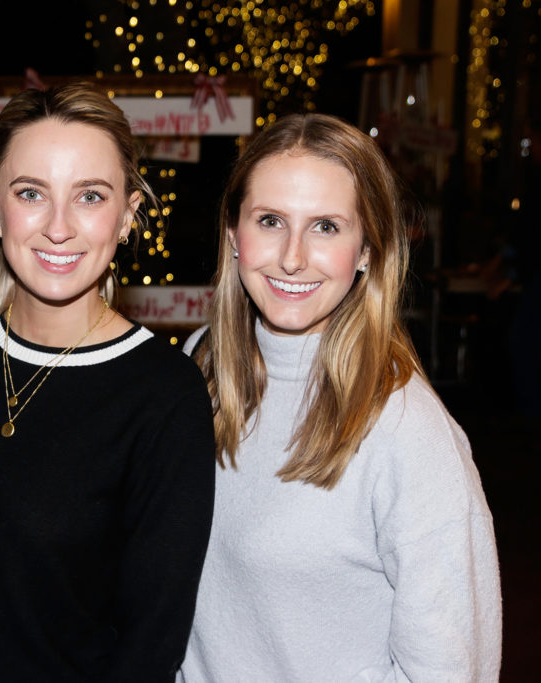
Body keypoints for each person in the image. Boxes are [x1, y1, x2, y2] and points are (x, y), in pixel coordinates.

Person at [0, 82, 216, 683]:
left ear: (128, 215)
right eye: (31, 193)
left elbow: (150, 649)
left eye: (90, 196)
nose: (60, 227)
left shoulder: (163, 396)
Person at [178, 113, 502, 681]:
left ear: (368, 250)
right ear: (234, 235)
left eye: (326, 226)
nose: (293, 256)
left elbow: (454, 668)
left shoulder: (408, 431)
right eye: (271, 220)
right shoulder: (199, 363)